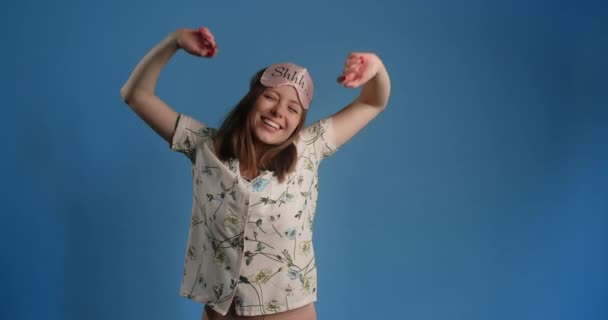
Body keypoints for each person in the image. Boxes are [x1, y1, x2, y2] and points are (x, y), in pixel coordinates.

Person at [120, 26, 390, 320]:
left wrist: (376, 70)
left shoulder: (309, 148)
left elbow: (372, 101)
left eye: (293, 108)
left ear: (299, 122)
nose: (278, 112)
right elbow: (135, 95)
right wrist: (173, 42)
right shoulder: (203, 146)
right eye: (271, 97)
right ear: (252, 100)